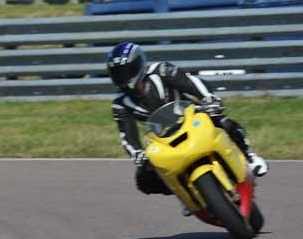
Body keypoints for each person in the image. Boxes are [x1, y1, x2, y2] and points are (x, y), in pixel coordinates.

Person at [106, 42, 268, 200]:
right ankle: (185, 193)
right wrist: (137, 154)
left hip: (193, 116)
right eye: (118, 73)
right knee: (144, 179)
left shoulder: (161, 70)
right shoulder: (120, 104)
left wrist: (208, 98)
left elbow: (190, 82)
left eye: (127, 71)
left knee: (223, 122)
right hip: (163, 137)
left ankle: (250, 157)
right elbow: (127, 135)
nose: (123, 77)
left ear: (139, 65)